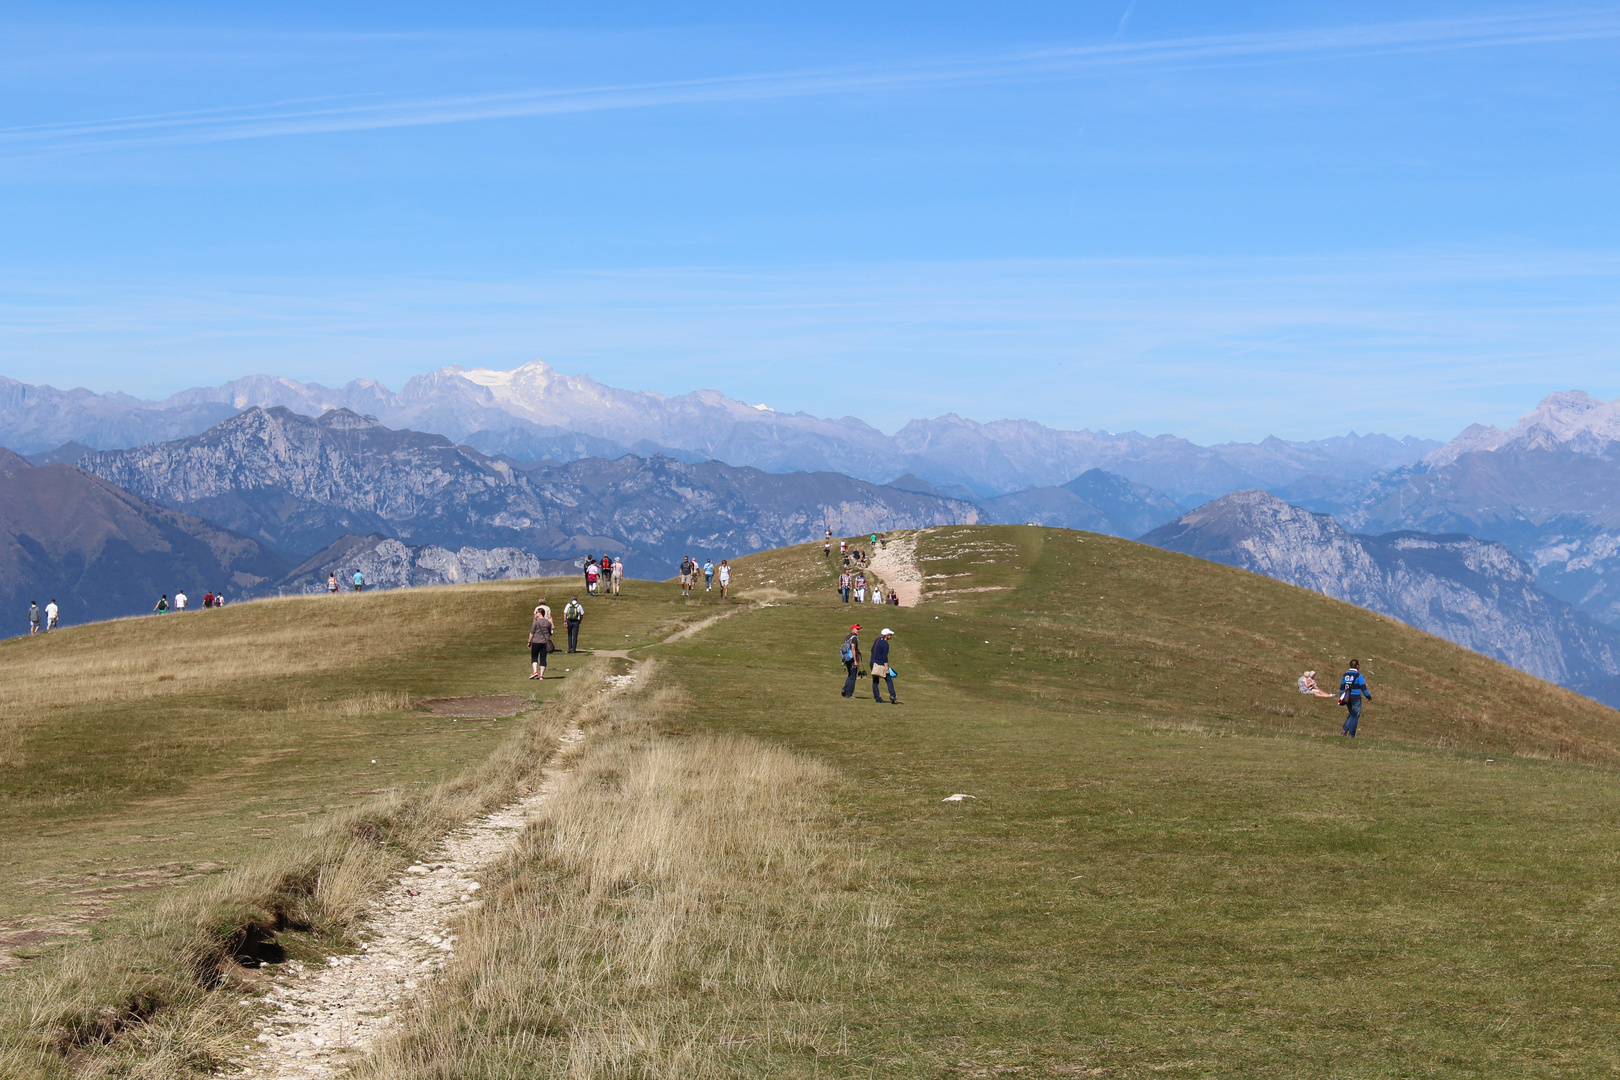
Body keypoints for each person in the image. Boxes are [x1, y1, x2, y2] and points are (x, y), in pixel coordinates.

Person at [1339, 660, 1373, 737]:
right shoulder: (1358, 675)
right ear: (1357, 666)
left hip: (1346, 697)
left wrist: (1341, 697)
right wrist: (1368, 697)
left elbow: (1342, 687)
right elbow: (1363, 688)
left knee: (1352, 714)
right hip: (1355, 697)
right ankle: (1351, 734)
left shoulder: (1345, 675)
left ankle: (1344, 730)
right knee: (1355, 715)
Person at [870, 628, 898, 704]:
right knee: (888, 680)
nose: (891, 636)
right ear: (886, 636)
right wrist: (887, 668)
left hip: (873, 662)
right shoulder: (885, 644)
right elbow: (884, 657)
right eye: (890, 635)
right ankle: (892, 695)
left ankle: (877, 698)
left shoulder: (877, 639)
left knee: (875, 681)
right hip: (880, 664)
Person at [528, 604, 554, 679]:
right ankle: (541, 675)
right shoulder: (547, 622)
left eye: (537, 612)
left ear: (540, 613)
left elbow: (532, 632)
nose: (536, 614)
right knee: (543, 658)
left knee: (534, 657)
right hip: (544, 642)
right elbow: (549, 632)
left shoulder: (535, 622)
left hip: (536, 641)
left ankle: (535, 671)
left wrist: (529, 642)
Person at [840, 623, 862, 698]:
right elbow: (852, 648)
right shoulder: (854, 638)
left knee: (850, 675)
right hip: (852, 659)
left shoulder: (848, 636)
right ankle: (848, 694)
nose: (858, 630)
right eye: (857, 629)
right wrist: (855, 660)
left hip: (847, 658)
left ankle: (845, 689)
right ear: (853, 629)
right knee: (852, 677)